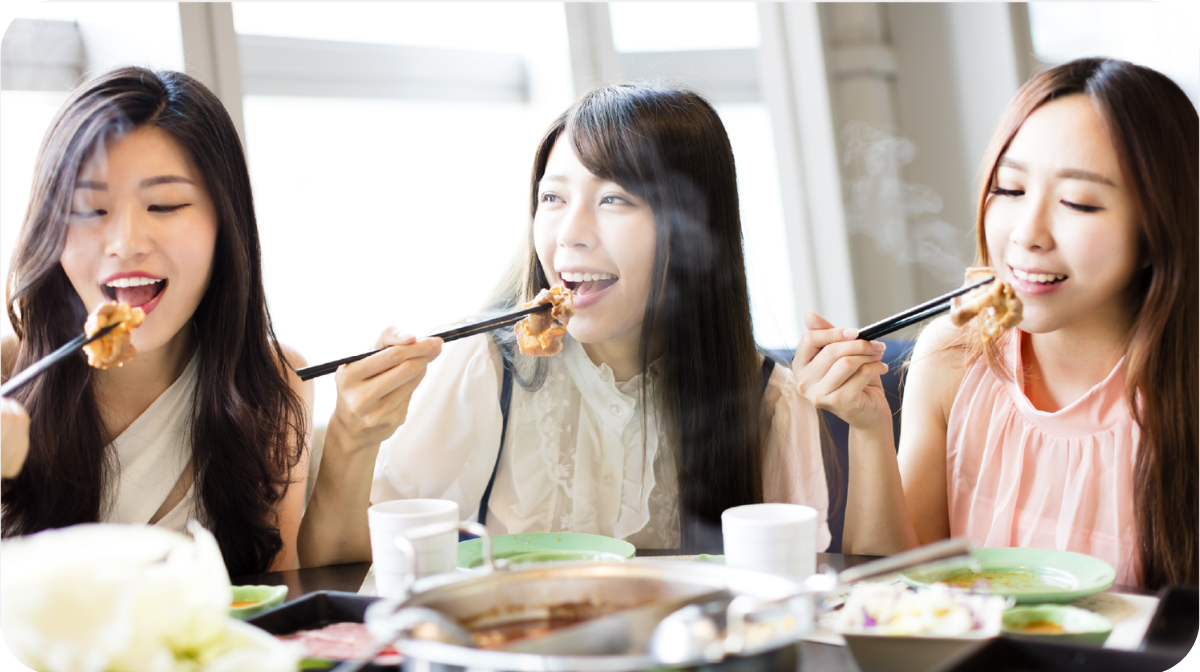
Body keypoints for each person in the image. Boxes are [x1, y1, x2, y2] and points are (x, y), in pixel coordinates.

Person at [300, 84, 839, 566]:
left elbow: (796, 596)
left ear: (697, 231)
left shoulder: (767, 402)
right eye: (552, 197)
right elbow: (350, 569)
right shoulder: (481, 368)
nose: (569, 235)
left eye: (614, 199)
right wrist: (352, 437)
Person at [795, 58, 1197, 589]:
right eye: (1009, 190)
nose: (1027, 234)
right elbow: (897, 593)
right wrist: (868, 427)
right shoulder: (954, 356)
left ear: (1156, 231)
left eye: (1078, 202)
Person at [1, 67, 318, 575]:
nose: (126, 242)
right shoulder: (7, 375)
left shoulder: (269, 383)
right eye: (88, 209)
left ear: (225, 221)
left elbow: (270, 599)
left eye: (165, 204)